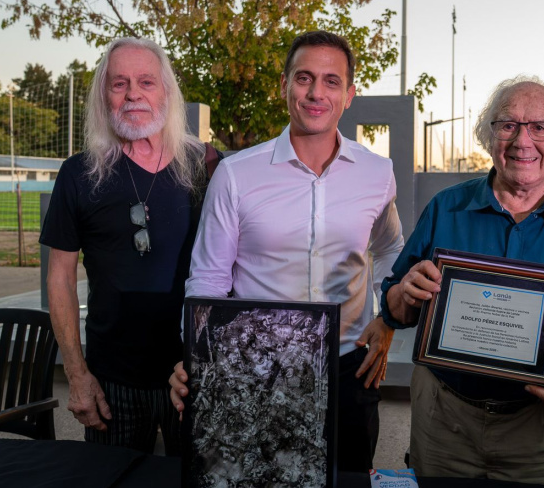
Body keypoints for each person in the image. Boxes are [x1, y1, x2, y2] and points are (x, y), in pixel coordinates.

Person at [381, 76, 544, 486]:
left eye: (540, 127)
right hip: (444, 421)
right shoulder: (445, 210)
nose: (522, 141)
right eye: (508, 125)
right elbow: (395, 308)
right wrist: (404, 293)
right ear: (491, 137)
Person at [169, 30, 404, 472]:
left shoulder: (377, 172)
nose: (316, 93)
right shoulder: (236, 175)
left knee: (350, 478)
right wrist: (198, 360)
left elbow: (390, 247)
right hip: (257, 370)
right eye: (304, 78)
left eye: (332, 81)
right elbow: (208, 279)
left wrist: (387, 320)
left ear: (349, 95)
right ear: (284, 85)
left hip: (350, 368)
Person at [40, 37, 215, 454]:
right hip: (110, 380)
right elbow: (60, 278)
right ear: (105, 96)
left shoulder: (207, 167)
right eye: (119, 84)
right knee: (110, 478)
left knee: (192, 480)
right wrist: (77, 375)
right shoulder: (79, 174)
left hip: (191, 373)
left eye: (146, 82)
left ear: (166, 92)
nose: (133, 94)